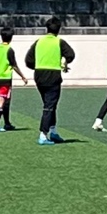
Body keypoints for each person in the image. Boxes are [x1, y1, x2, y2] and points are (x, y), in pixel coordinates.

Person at [25, 17, 75, 145]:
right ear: (59, 29)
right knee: (49, 106)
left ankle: (53, 131)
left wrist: (39, 66)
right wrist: (64, 62)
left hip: (39, 75)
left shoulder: (38, 42)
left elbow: (28, 61)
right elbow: (71, 55)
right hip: (53, 75)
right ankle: (43, 134)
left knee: (50, 104)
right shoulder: (59, 42)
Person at [0, 26, 26, 131]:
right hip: (4, 79)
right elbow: (14, 65)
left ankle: (7, 123)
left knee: (6, 100)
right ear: (11, 37)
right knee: (1, 101)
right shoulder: (9, 50)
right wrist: (23, 77)